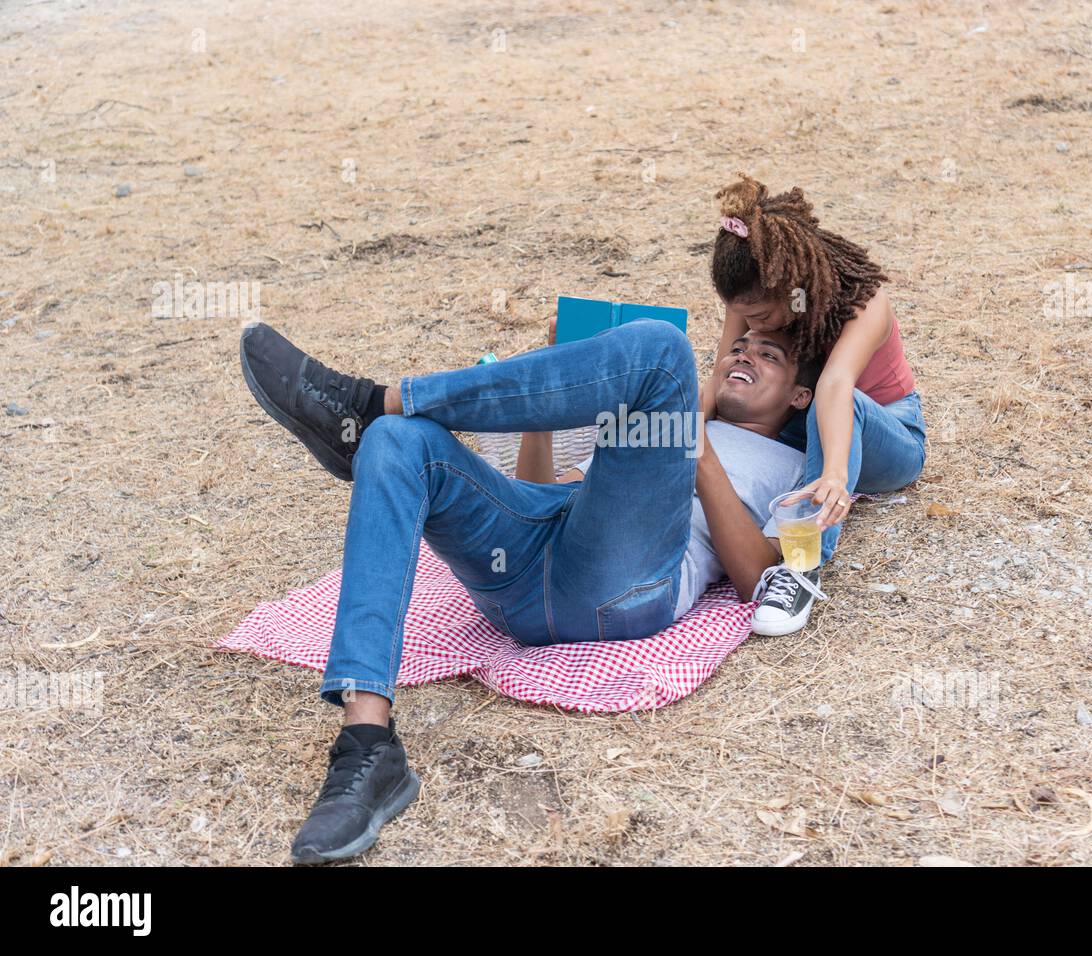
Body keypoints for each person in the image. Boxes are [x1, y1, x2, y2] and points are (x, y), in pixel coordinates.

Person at [239, 316, 820, 863]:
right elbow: (543, 489)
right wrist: (553, 381)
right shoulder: (660, 426)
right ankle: (367, 739)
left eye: (769, 355)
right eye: (739, 347)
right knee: (395, 441)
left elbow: (758, 575)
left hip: (620, 587)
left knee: (664, 350)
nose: (745, 355)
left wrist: (694, 443)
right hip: (526, 569)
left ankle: (370, 402)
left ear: (799, 396)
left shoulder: (791, 464)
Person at [700, 174, 927, 636]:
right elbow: (721, 371)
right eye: (745, 314)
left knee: (844, 402)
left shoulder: (862, 302)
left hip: (884, 428)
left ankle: (802, 568)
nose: (752, 325)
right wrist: (673, 431)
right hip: (800, 415)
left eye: (760, 316)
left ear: (791, 284)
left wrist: (835, 475)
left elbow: (836, 386)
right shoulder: (751, 291)